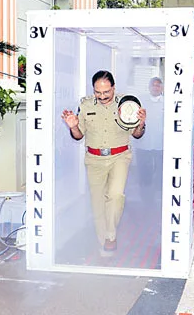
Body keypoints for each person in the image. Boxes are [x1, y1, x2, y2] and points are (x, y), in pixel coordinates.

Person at [61, 70, 147, 255]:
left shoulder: (127, 103)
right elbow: (78, 136)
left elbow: (137, 134)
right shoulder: (85, 105)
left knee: (115, 196)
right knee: (98, 202)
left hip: (120, 157)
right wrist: (73, 126)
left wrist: (141, 123)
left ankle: (110, 235)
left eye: (106, 92)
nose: (102, 96)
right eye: (98, 92)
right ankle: (104, 243)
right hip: (94, 159)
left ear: (113, 88)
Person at [133, 77, 164, 204]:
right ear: (149, 87)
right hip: (143, 143)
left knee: (160, 172)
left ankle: (159, 197)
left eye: (158, 85)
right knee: (144, 172)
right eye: (153, 85)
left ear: (161, 87)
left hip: (160, 144)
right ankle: (145, 199)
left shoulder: (168, 102)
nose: (155, 88)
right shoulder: (140, 101)